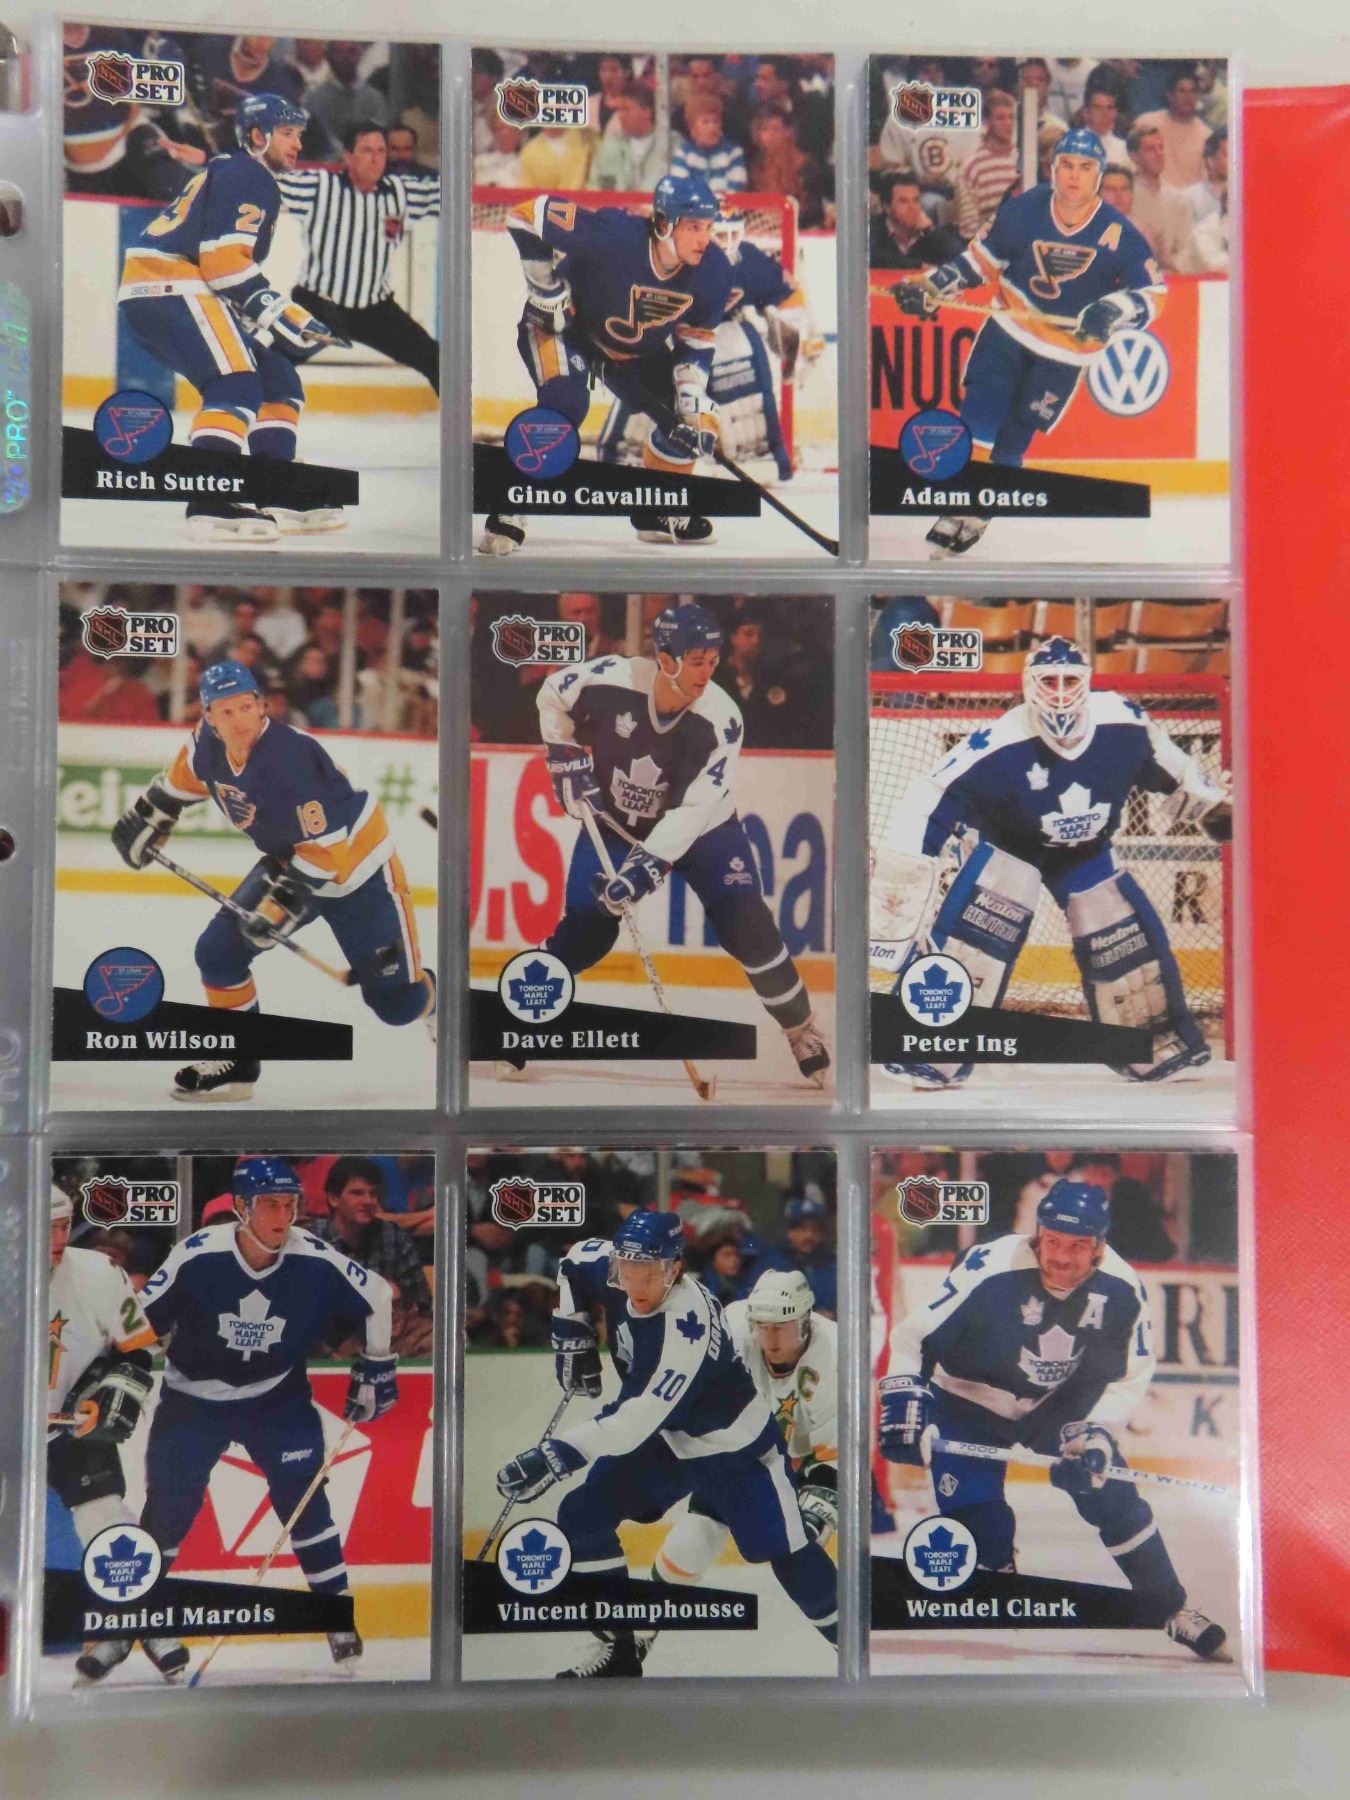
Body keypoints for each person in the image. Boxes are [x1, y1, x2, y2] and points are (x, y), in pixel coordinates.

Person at [877, 1181, 1229, 1661]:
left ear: (1099, 1245)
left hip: (1057, 1405)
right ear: (1037, 1235)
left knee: (1111, 1495)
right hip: (967, 1399)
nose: (1062, 1257)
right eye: (1053, 1241)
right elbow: (912, 1339)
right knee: (978, 1524)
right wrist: (903, 1402)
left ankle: (1172, 1607)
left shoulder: (1122, 1288)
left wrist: (1096, 1436)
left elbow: (1127, 1375)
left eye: (1078, 1246)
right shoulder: (991, 1266)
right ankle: (998, 1570)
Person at [869, 636, 1231, 1088]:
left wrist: (1210, 803)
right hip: (1011, 849)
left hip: (1087, 852)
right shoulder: (999, 741)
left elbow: (1173, 768)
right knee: (971, 952)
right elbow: (931, 795)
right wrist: (903, 872)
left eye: (1069, 681)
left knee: (1126, 949)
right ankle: (929, 1051)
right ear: (1028, 684)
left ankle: (1153, 1048)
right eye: (1048, 681)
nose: (1059, 693)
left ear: (1086, 682)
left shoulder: (1124, 723)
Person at [495, 1211, 839, 1676]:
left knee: (788, 1555)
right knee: (582, 1514)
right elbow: (574, 1260)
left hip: (732, 1451)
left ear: (675, 1269)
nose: (635, 1283)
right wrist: (571, 1329)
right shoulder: (610, 1265)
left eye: (650, 1271)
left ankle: (855, 1645)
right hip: (666, 1439)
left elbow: (637, 1419)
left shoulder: (686, 1326)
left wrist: (555, 1455)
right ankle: (621, 1650)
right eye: (627, 1267)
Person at [502, 603, 830, 1087]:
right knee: (587, 930)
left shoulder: (722, 718)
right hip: (615, 824)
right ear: (665, 658)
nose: (707, 672)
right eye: (696, 661)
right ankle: (514, 1020)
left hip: (704, 831)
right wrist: (563, 750)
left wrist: (644, 869)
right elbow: (552, 694)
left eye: (713, 660)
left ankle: (801, 1029)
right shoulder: (611, 677)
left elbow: (694, 810)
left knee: (747, 924)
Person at [111, 658, 435, 1103]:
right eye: (226, 711)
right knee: (218, 954)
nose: (239, 720)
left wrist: (277, 907)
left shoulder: (292, 759)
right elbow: (180, 782)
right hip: (292, 860)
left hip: (359, 872)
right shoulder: (205, 745)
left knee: (398, 1005)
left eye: (246, 707)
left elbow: (328, 852)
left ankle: (444, 1005)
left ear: (262, 705)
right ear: (208, 715)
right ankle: (238, 1062)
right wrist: (150, 814)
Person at [129, 1159, 400, 1674]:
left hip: (275, 1397)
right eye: (270, 1205)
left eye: (290, 1204)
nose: (282, 1216)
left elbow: (379, 1294)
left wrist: (377, 1364)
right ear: (241, 1208)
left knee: (305, 1500)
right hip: (192, 1400)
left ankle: (336, 1615)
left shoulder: (313, 1256)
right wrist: (121, 1369)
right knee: (169, 1508)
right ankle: (141, 1620)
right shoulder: (196, 1254)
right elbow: (139, 1321)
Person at [892, 129, 1167, 558]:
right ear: (1053, 168)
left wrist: (1111, 310)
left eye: (1086, 168)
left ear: (1098, 175)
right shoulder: (1024, 209)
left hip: (1064, 353)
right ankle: (962, 501)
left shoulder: (1119, 233)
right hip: (1010, 331)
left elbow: (1154, 294)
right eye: (1067, 166)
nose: (1074, 176)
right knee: (979, 415)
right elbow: (979, 261)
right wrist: (931, 285)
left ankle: (982, 510)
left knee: (1016, 434)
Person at [116, 92, 351, 546]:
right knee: (236, 385)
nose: (298, 144)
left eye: (299, 134)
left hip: (166, 288)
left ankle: (273, 485)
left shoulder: (233, 168)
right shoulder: (251, 175)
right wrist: (286, 315)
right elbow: (222, 263)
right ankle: (210, 499)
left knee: (278, 380)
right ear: (258, 136)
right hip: (172, 285)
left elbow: (218, 265)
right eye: (287, 133)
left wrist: (278, 316)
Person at [478, 173, 734, 555]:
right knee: (565, 405)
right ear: (664, 224)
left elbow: (696, 339)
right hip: (563, 330)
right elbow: (525, 214)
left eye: (708, 227)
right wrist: (545, 288)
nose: (704, 238)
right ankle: (510, 503)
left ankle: (657, 507)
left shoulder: (714, 270)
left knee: (692, 416)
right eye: (694, 227)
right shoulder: (615, 234)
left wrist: (690, 395)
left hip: (627, 353)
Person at [46, 1188, 188, 1685]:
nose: (57, 1239)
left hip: (70, 1424)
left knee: (105, 1520)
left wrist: (114, 1391)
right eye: (46, 1228)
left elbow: (138, 1350)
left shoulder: (99, 1274)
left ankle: (149, 1619)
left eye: (63, 1226)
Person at [654, 1268, 837, 1608]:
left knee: (800, 1553)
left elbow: (835, 1458)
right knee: (693, 1539)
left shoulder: (836, 1353)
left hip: (813, 1461)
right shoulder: (732, 1328)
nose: (771, 1338)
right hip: (744, 1457)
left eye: (781, 1327)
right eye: (763, 1326)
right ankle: (643, 1625)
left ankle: (846, 1632)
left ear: (805, 1320)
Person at [278, 121, 440, 397]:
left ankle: (460, 420)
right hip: (320, 307)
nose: (376, 158)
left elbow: (455, 194)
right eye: (366, 150)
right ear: (348, 156)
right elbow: (262, 181)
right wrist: (205, 164)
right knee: (272, 364)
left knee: (437, 361)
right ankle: (239, 414)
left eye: (381, 151)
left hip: (373, 310)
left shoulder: (402, 193)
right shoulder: (319, 187)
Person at [314, 1157, 434, 1354]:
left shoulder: (393, 1236)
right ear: (333, 1198)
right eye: (357, 1193)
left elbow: (420, 1301)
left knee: (435, 1336)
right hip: (330, 1340)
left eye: (373, 1194)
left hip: (389, 1337)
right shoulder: (312, 1241)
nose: (368, 1201)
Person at [1127, 125, 1200, 273]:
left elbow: (1186, 246)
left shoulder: (1177, 199)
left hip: (1170, 275)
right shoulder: (1124, 195)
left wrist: (1170, 265)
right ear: (1134, 156)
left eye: (1161, 147)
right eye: (1150, 149)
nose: (1159, 153)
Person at [952, 91, 1019, 240]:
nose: (1008, 123)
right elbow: (968, 227)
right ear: (987, 122)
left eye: (1011, 117)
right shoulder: (972, 167)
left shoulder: (1024, 160)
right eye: (1000, 118)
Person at [1133, 66, 1212, 190]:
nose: (1188, 97)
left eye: (1192, 91)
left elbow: (1207, 182)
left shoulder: (1207, 136)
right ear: (1170, 95)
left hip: (1188, 199)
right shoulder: (1145, 123)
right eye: (1182, 91)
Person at [868, 173, 964, 271]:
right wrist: (917, 266)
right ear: (886, 207)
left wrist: (931, 231)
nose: (913, 207)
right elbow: (872, 257)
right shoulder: (872, 229)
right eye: (903, 201)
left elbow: (962, 260)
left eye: (916, 200)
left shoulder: (931, 233)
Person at [590, 83, 666, 191]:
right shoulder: (610, 144)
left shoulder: (668, 144)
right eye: (619, 110)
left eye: (626, 109)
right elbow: (595, 185)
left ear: (647, 112)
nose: (621, 116)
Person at [671, 97, 747, 194]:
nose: (712, 127)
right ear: (693, 129)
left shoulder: (734, 152)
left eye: (716, 121)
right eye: (705, 122)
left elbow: (737, 188)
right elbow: (680, 188)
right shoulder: (683, 153)